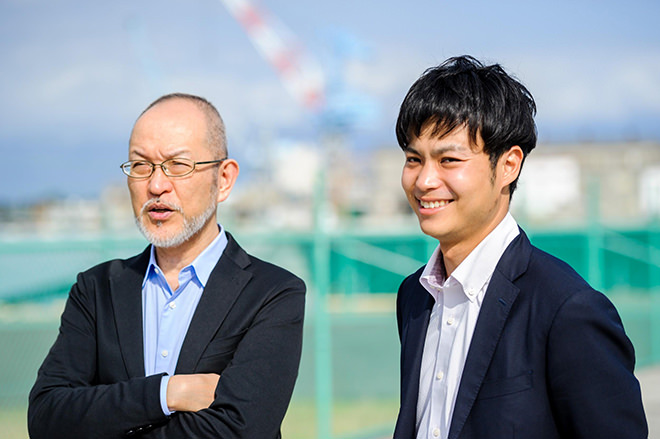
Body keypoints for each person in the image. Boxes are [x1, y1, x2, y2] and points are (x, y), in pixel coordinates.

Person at [393, 56, 647, 439]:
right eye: (414, 159)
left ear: (509, 165)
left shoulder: (567, 309)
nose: (425, 180)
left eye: (449, 160)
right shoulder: (414, 296)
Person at [28, 93, 306, 439]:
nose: (156, 185)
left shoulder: (272, 293)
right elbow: (47, 417)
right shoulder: (97, 290)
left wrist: (107, 421)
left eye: (178, 165)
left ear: (224, 180)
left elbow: (240, 430)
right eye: (141, 165)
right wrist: (168, 393)